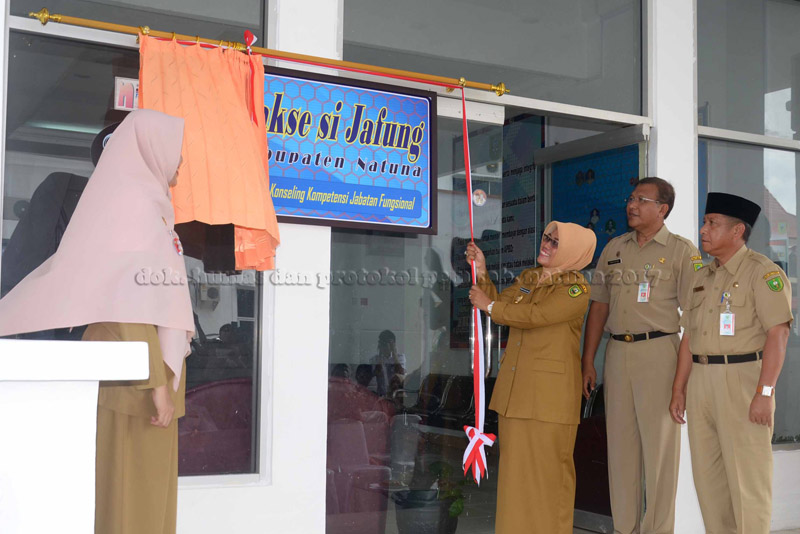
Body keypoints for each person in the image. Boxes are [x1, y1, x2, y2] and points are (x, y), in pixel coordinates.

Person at [0, 109, 193, 534]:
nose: (180, 160)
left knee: (149, 503)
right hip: (135, 381)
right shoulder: (131, 206)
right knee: (128, 502)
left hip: (149, 377)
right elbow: (125, 302)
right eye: (176, 150)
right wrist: (157, 385)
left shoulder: (151, 205)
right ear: (148, 147)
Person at [582, 177, 700, 534]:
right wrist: (588, 360)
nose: (631, 205)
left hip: (660, 352)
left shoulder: (682, 251)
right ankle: (625, 528)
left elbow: (693, 321)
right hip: (617, 352)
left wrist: (680, 385)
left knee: (660, 453)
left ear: (662, 209)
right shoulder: (614, 248)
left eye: (641, 200)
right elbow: (598, 307)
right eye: (631, 198)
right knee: (620, 450)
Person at [670, 192, 791, 534]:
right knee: (710, 482)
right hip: (702, 380)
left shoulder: (762, 273)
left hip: (743, 381)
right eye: (705, 222)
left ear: (738, 231)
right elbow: (689, 338)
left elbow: (777, 335)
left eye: (712, 223)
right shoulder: (702, 276)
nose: (703, 229)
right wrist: (679, 389)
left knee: (747, 481)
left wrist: (765, 392)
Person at [467, 220, 596, 534]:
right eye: (546, 238)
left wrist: (491, 306)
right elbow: (502, 303)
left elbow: (536, 317)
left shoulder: (576, 288)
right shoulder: (530, 278)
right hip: (517, 397)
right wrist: (482, 273)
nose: (546, 244)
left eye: (554, 242)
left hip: (549, 403)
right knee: (516, 484)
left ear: (571, 251)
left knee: (547, 484)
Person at [370, 329, 406, 397]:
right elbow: (377, 373)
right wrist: (380, 354)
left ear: (394, 343)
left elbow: (401, 373)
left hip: (396, 395)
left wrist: (394, 352)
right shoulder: (374, 359)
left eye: (388, 342)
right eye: (382, 343)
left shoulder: (400, 357)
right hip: (381, 395)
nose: (385, 346)